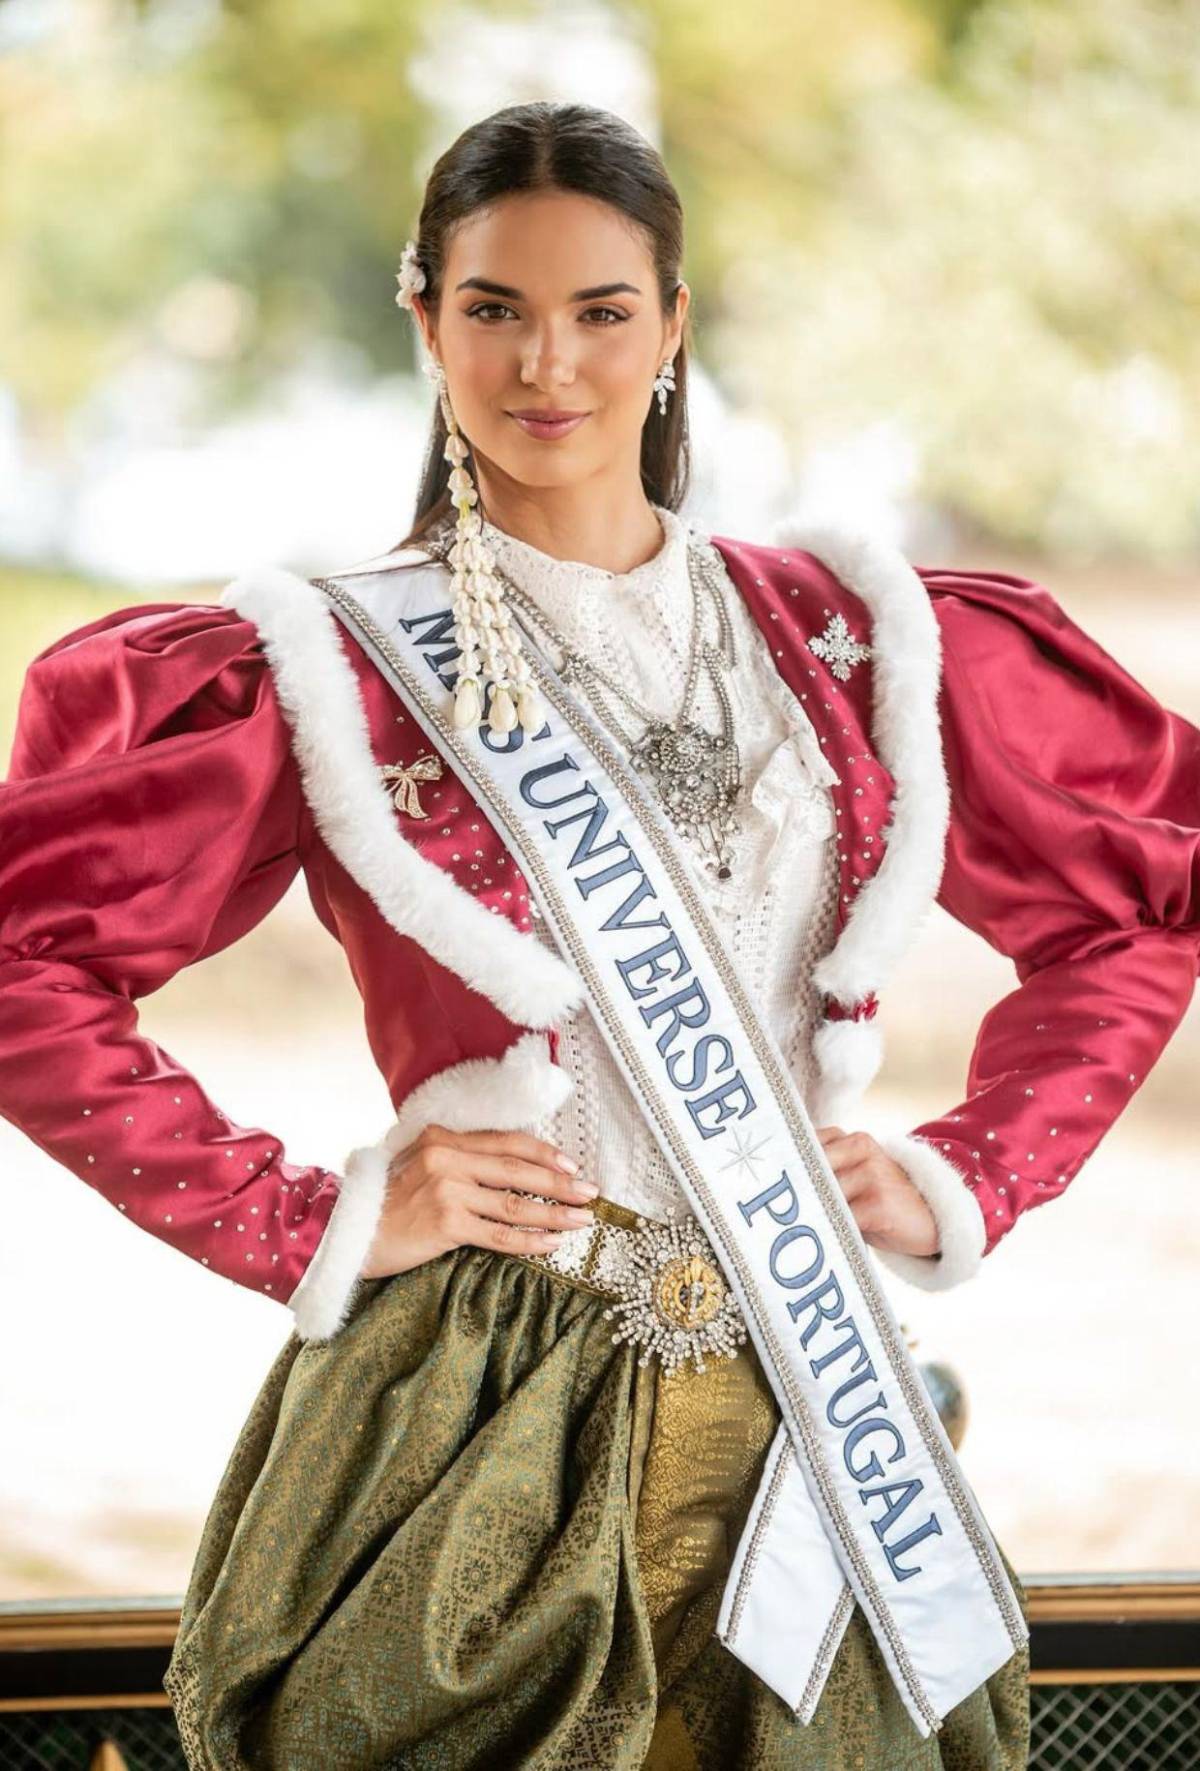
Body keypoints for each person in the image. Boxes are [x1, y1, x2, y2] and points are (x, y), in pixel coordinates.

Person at [3, 100, 1198, 1771]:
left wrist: (965, 1172)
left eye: (600, 311)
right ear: (423, 316)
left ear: (676, 324)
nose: (545, 366)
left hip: (808, 1381)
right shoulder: (327, 672)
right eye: (493, 309)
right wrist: (300, 1219)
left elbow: (1140, 903)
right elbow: (23, 968)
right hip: (474, 1408)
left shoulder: (853, 642)